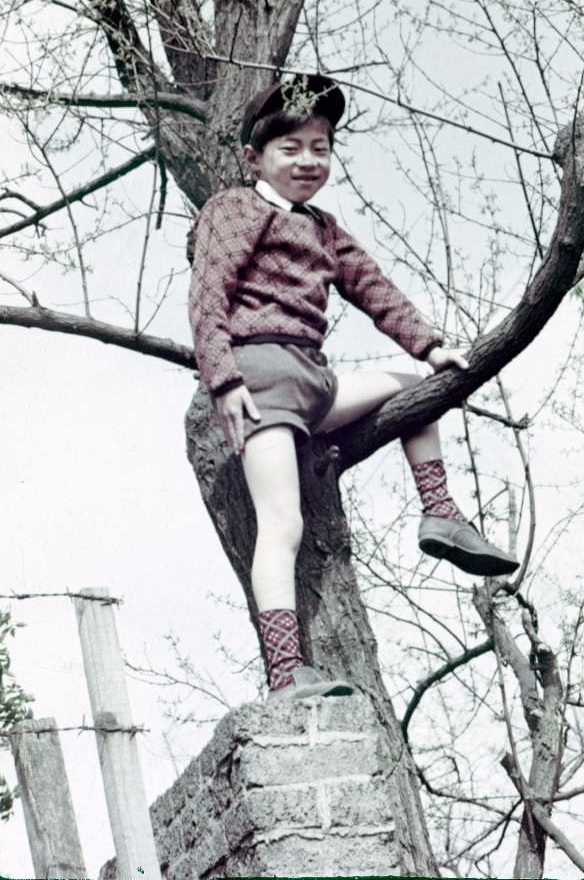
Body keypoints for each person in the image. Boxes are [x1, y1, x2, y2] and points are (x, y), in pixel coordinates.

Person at [189, 74, 519, 701]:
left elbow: (374, 288)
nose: (308, 161)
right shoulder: (234, 210)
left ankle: (439, 512)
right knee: (283, 522)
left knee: (422, 388)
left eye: (321, 147)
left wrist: (429, 346)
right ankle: (285, 672)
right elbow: (208, 294)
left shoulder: (325, 228)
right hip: (260, 381)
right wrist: (224, 380)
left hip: (315, 380)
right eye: (291, 148)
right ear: (254, 158)